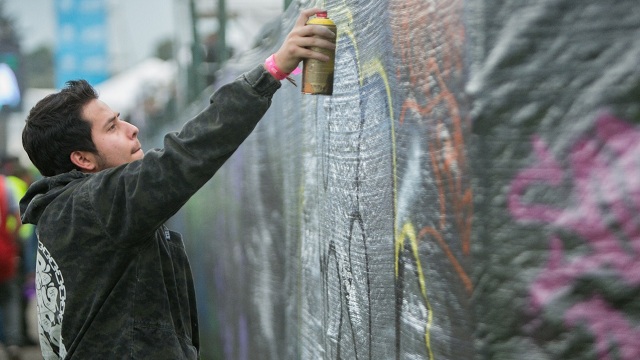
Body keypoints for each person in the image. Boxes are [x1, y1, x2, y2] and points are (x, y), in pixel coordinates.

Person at [19, 8, 335, 359]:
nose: (131, 129)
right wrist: (272, 71)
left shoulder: (71, 210)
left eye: (120, 120)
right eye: (111, 127)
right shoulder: (92, 206)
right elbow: (183, 156)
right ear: (83, 159)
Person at [0, 173, 24, 360]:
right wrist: (12, 238)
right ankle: (13, 342)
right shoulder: (5, 186)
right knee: (10, 298)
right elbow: (18, 218)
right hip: (4, 251)